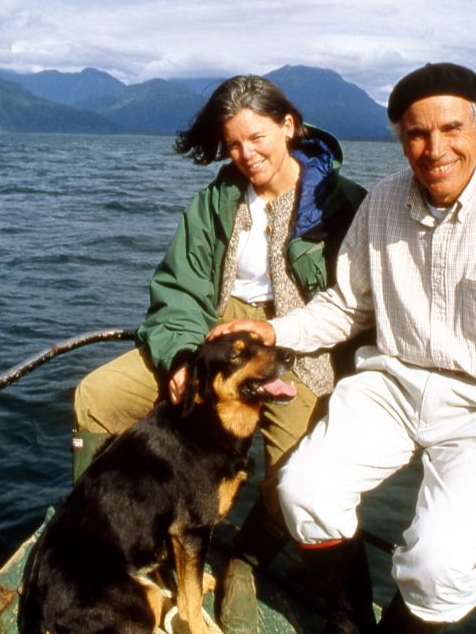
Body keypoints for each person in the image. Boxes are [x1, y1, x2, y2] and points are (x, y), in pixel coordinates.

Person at [211, 62, 476, 633]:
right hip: (391, 384)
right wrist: (276, 332)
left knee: (437, 562)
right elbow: (347, 306)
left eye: (451, 129)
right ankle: (348, 620)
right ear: (401, 139)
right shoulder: (382, 203)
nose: (434, 149)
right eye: (416, 134)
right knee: (303, 491)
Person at [72, 74, 367, 632]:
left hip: (298, 347)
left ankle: (244, 561)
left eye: (256, 137)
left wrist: (289, 338)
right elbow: (179, 289)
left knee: (295, 476)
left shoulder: (343, 204)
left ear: (290, 125)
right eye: (233, 143)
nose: (245, 154)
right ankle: (104, 550)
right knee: (97, 397)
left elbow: (355, 306)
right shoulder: (215, 203)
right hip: (209, 340)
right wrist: (183, 355)